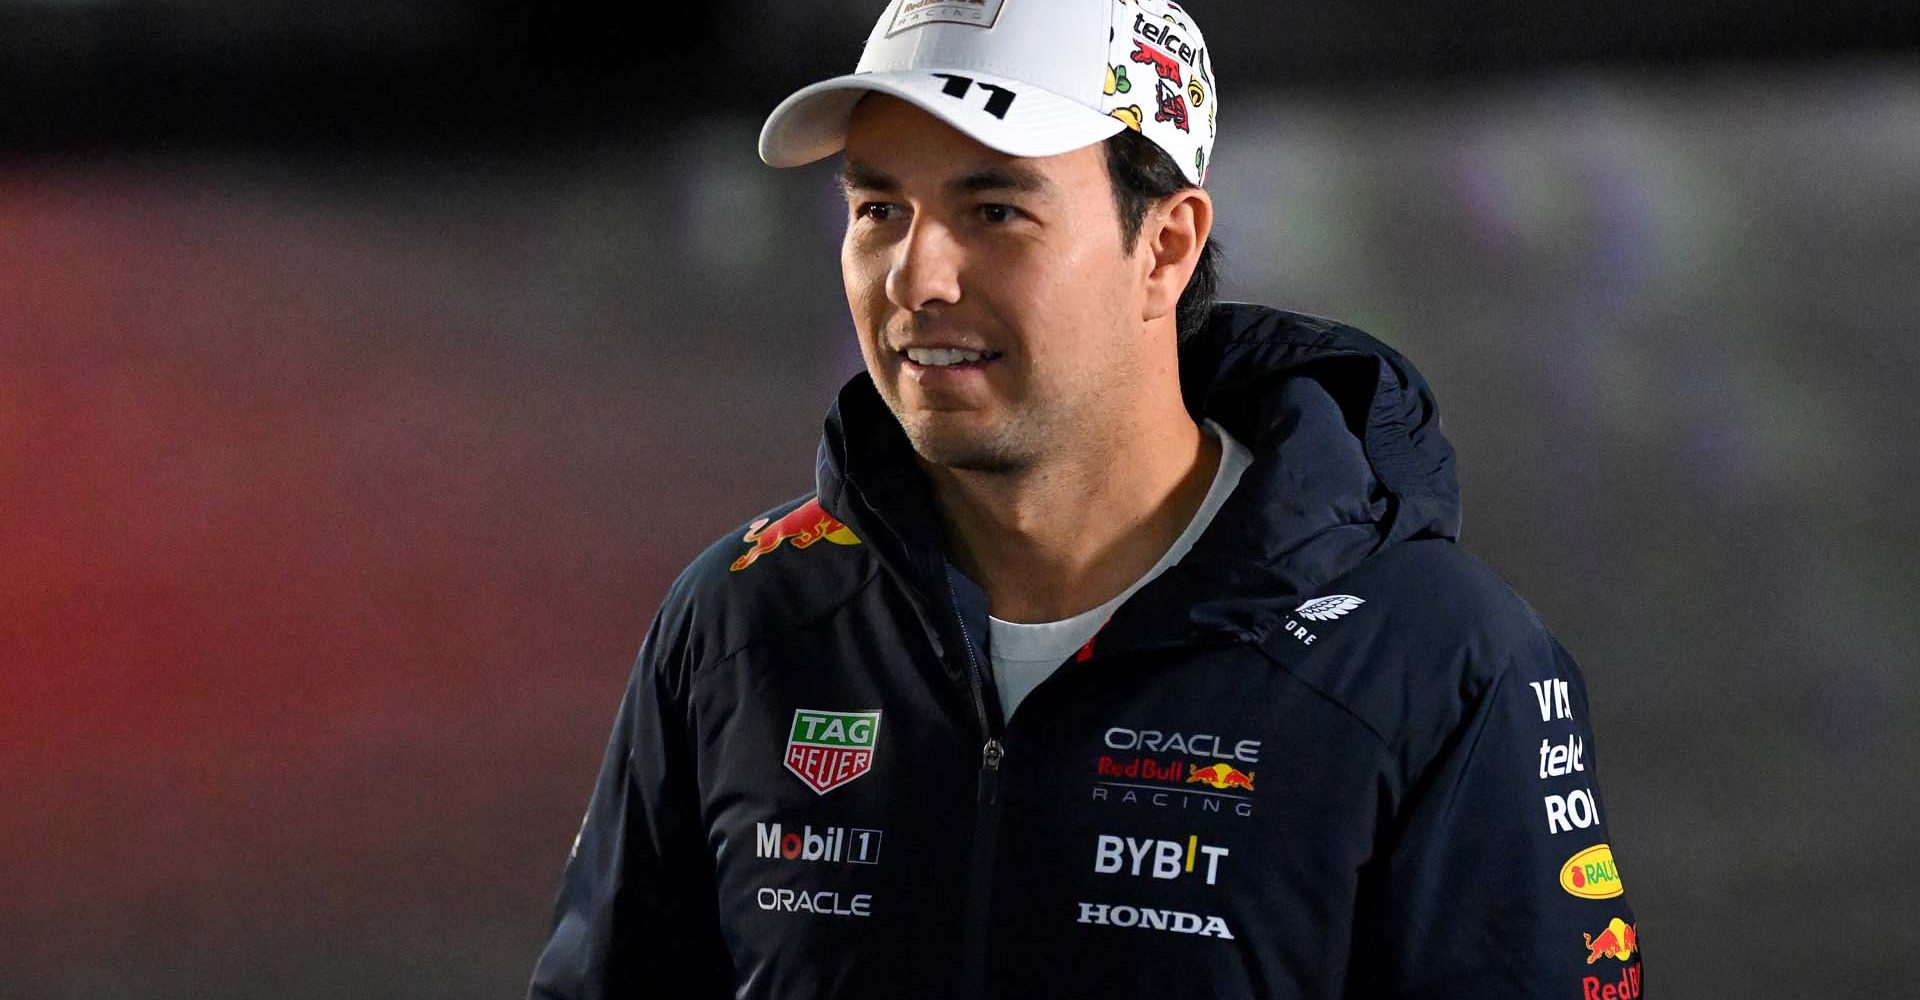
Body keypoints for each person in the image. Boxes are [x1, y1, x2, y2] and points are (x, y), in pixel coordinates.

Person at [527, 1, 1644, 997]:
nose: (918, 278)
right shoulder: (740, 621)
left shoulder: (1436, 662)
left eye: (995, 210)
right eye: (878, 210)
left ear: (1164, 246)